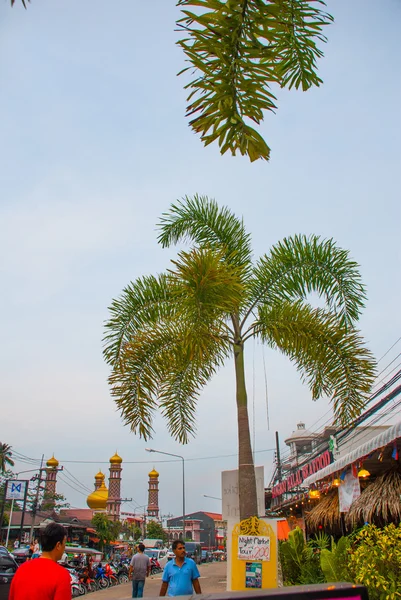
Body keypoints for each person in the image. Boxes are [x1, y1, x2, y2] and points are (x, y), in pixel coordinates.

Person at [9, 522, 71, 600]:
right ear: (58, 545)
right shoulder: (62, 575)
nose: (64, 548)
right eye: (64, 544)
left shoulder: (22, 569)